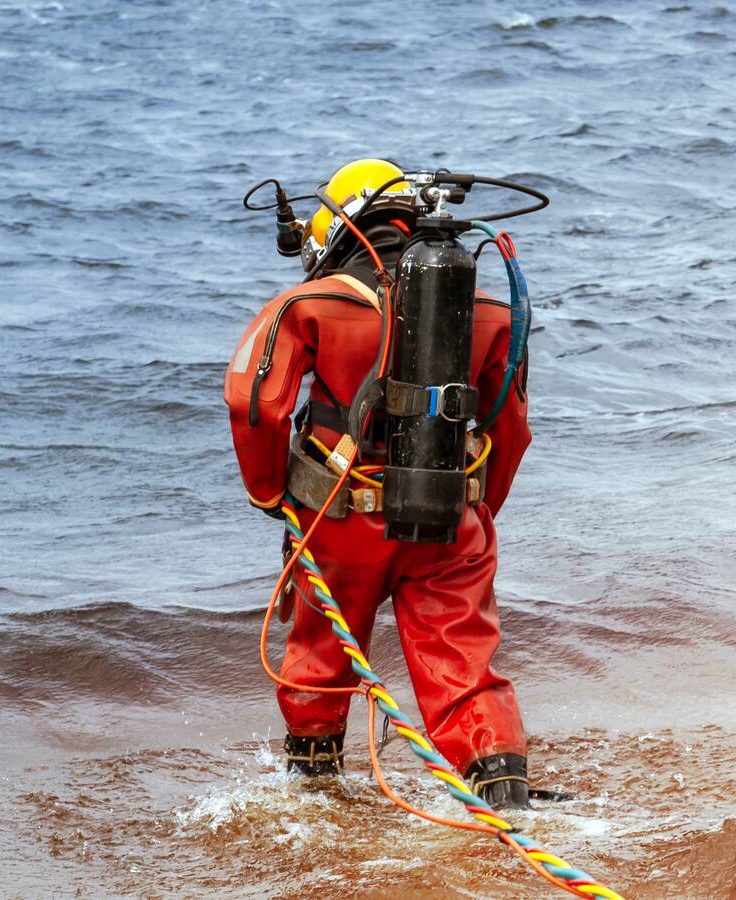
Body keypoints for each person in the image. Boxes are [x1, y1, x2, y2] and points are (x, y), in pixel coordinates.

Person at [224, 159, 534, 809]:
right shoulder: (487, 309)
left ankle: (315, 800)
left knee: (321, 656)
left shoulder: (308, 304)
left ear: (341, 225)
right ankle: (509, 805)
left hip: (343, 520)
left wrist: (270, 495)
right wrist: (477, 513)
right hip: (453, 519)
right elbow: (511, 425)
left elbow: (253, 403)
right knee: (466, 670)